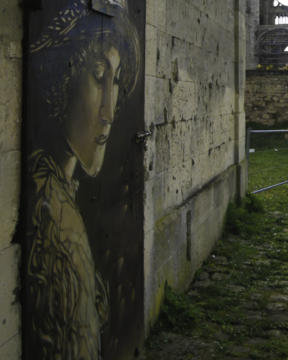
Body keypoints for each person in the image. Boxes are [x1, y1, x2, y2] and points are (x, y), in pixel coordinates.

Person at [23, 1, 140, 358]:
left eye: (117, 81)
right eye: (97, 76)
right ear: (63, 77)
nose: (108, 111)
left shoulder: (58, 187)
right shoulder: (59, 224)